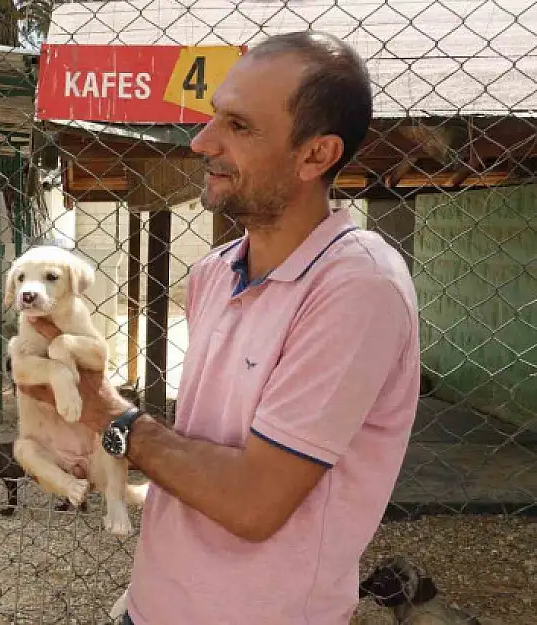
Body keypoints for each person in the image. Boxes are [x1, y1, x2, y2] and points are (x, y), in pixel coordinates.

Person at [22, 31, 421, 624]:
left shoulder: (357, 288)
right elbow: (202, 446)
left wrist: (106, 412)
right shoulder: (213, 272)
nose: (202, 142)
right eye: (213, 117)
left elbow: (252, 502)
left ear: (316, 155)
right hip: (157, 602)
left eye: (239, 126)